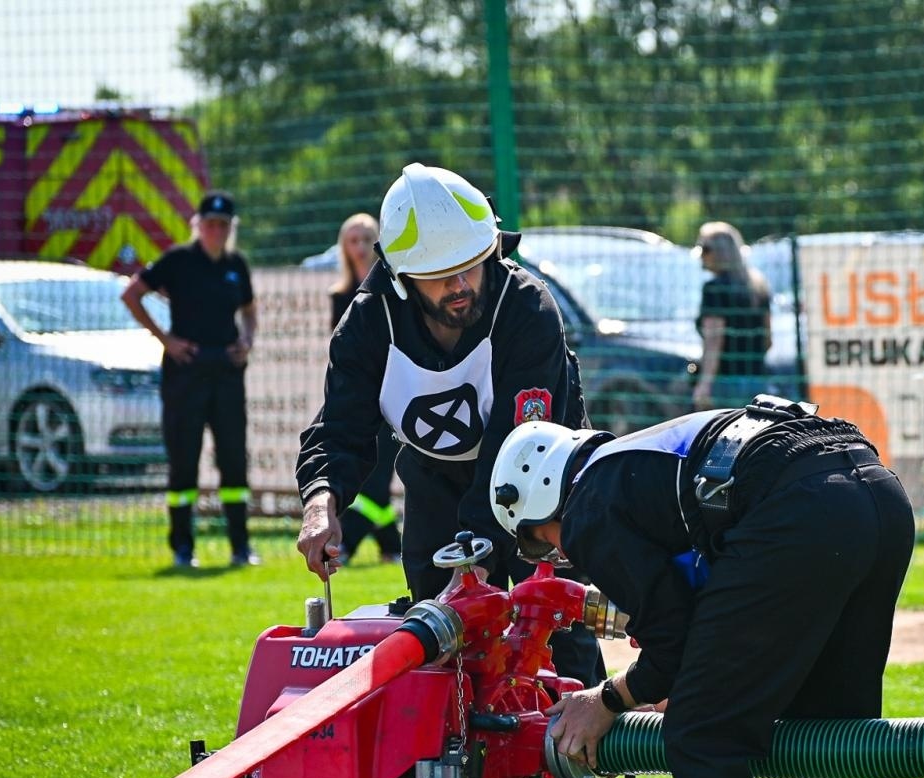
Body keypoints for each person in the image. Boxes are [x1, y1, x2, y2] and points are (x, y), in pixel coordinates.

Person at [488, 396, 924, 778]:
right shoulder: (631, 463)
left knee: (699, 740)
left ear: (541, 495)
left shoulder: (589, 504)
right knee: (832, 732)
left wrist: (609, 698)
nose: (556, 555)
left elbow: (672, 646)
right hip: (876, 494)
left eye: (539, 543)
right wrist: (694, 679)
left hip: (799, 510)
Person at [295, 163, 601, 685]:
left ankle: (586, 758)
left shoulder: (527, 309)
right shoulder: (367, 324)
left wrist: (477, 562)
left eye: (472, 265)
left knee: (555, 632)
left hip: (544, 487)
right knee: (439, 649)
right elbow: (341, 427)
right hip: (434, 480)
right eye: (439, 275)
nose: (460, 285)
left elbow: (518, 446)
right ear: (401, 277)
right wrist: (321, 504)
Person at [121, 191, 259, 569]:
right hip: (187, 370)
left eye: (223, 225)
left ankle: (240, 547)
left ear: (231, 229)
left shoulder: (236, 265)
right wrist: (166, 339)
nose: (216, 231)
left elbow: (248, 310)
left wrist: (247, 340)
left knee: (233, 459)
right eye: (210, 224)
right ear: (198, 225)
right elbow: (132, 293)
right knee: (184, 459)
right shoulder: (178, 261)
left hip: (227, 371)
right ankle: (183, 548)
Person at [327, 213, 403, 567]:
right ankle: (393, 546)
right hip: (361, 399)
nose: (358, 248)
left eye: (365, 239)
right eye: (352, 240)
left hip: (394, 396)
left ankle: (348, 541)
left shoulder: (394, 290)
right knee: (372, 478)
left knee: (376, 478)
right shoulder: (340, 296)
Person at [692, 222, 772, 411]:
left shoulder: (714, 289)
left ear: (720, 252)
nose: (701, 256)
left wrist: (704, 385)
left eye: (705, 249)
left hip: (724, 384)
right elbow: (768, 340)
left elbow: (714, 341)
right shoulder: (758, 286)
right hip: (758, 382)